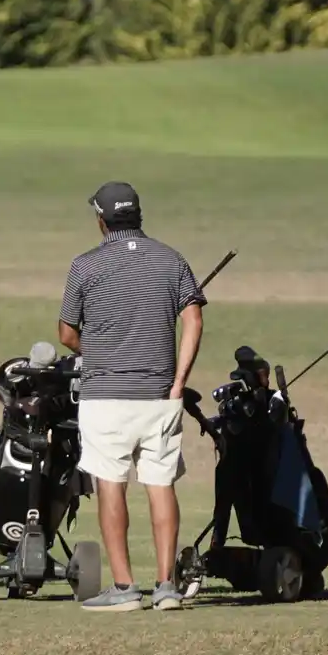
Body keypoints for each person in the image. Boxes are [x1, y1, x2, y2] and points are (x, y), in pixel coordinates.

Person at [57, 182, 206, 612]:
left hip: (105, 398)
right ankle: (165, 587)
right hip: (161, 395)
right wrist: (179, 381)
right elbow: (193, 319)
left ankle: (124, 588)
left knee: (111, 487)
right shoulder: (171, 259)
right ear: (138, 216)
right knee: (160, 486)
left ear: (102, 220)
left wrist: (97, 351)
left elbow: (67, 333)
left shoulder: (85, 266)